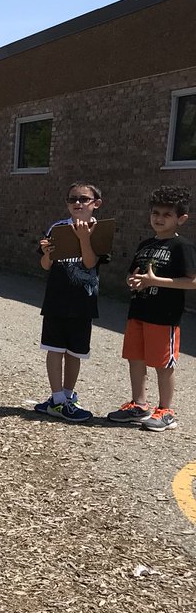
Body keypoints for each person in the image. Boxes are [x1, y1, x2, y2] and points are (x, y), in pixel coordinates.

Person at [107, 185, 196, 431]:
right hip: (138, 312)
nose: (159, 218)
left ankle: (166, 410)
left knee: (163, 364)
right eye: (155, 213)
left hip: (163, 317)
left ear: (181, 219)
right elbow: (131, 275)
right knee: (135, 359)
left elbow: (192, 281)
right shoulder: (145, 244)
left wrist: (155, 281)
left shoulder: (182, 247)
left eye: (166, 215)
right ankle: (139, 405)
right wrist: (133, 282)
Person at [34, 182, 106, 422]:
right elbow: (45, 266)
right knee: (54, 349)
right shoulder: (57, 227)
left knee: (75, 352)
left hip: (83, 302)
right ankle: (56, 399)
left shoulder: (101, 230)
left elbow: (89, 263)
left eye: (84, 199)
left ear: (96, 204)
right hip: (56, 299)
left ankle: (67, 396)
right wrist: (47, 253)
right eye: (72, 198)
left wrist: (84, 238)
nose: (77, 203)